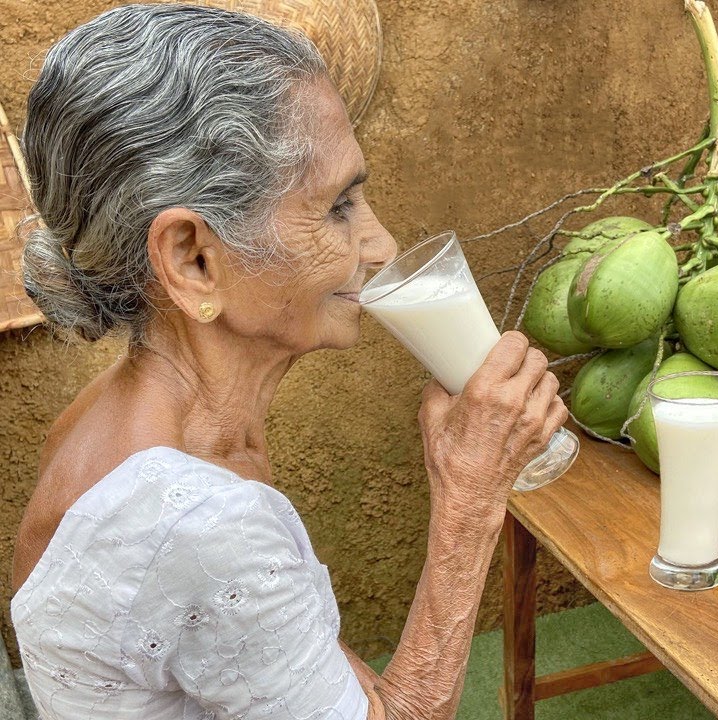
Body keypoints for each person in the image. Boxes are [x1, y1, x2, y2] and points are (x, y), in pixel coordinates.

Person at [8, 5, 567, 718]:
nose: (382, 246)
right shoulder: (199, 520)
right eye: (338, 207)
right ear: (193, 260)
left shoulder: (145, 422)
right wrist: (470, 501)